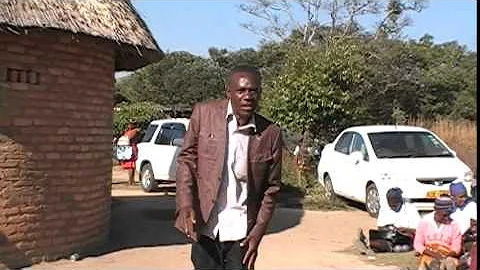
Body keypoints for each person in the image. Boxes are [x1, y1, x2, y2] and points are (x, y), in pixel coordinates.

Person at [175, 65, 283, 270]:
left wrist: (258, 232)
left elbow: (272, 189)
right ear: (229, 92)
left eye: (253, 91)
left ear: (260, 93)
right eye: (241, 90)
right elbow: (186, 159)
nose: (248, 96)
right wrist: (185, 204)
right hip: (206, 227)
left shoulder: (270, 134)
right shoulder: (204, 114)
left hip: (241, 234)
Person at [359, 187, 421, 253]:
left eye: (395, 205)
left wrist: (405, 230)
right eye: (390, 204)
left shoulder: (410, 209)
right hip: (391, 236)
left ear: (400, 200)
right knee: (383, 239)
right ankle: (368, 243)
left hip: (407, 238)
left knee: (398, 248)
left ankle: (368, 243)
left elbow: (419, 230)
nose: (392, 206)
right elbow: (380, 227)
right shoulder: (384, 208)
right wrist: (388, 228)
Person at [414, 196, 462, 270]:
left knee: (449, 263)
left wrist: (444, 256)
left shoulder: (454, 225)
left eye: (448, 215)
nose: (446, 218)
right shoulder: (424, 222)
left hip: (448, 256)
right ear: (436, 210)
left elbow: (456, 248)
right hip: (428, 254)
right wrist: (435, 255)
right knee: (429, 264)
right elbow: (418, 244)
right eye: (444, 215)